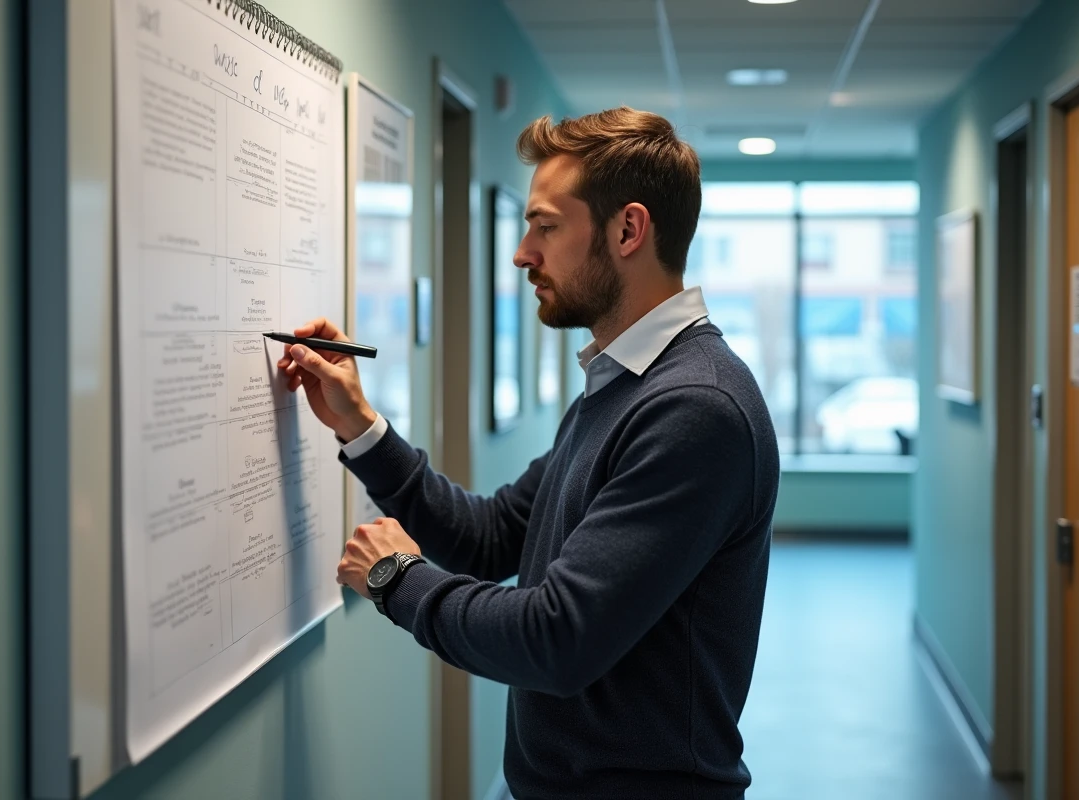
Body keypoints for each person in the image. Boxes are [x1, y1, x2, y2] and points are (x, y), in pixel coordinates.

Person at [278, 107, 779, 799]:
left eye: (545, 226)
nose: (522, 253)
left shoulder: (695, 409)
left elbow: (558, 638)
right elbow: (492, 537)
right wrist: (361, 428)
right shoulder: (618, 390)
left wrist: (397, 578)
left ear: (628, 230)